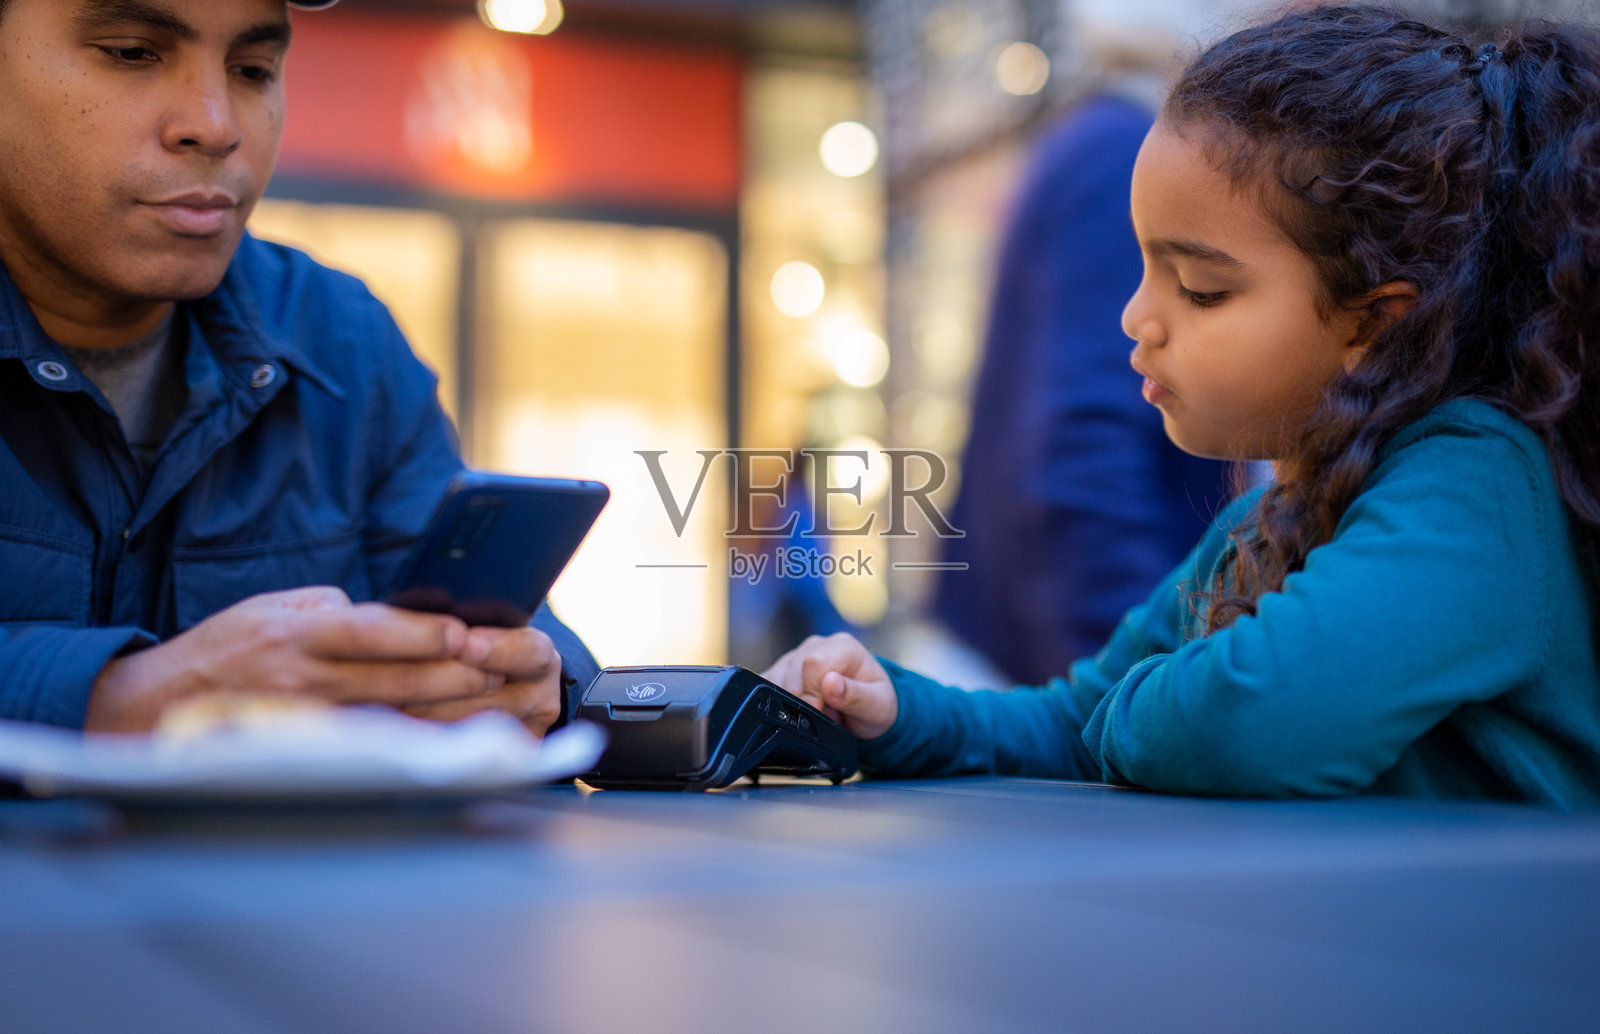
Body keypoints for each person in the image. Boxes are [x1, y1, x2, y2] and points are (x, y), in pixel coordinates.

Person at [765, 4, 1600, 808]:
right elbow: (1070, 718)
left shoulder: (1477, 487)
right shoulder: (1275, 515)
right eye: (1143, 269)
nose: (1137, 318)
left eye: (1202, 290)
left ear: (1376, 321)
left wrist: (1142, 702)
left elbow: (1245, 723)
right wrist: (897, 713)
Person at [0, 0, 596, 734]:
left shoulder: (342, 340)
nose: (216, 124)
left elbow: (531, 649)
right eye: (130, 53)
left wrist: (539, 682)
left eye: (253, 69)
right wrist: (116, 699)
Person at [932, 92, 1233, 686]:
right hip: (1062, 683)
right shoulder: (1129, 156)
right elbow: (1081, 448)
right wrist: (1141, 691)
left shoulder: (1101, 145)